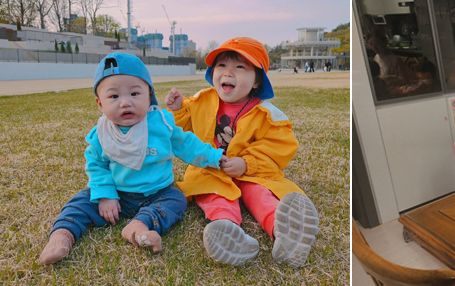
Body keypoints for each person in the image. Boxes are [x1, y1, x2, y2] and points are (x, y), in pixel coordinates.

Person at [39, 53, 225, 265]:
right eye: (114, 97)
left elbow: (187, 144)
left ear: (149, 96)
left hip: (158, 192)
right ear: (100, 104)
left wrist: (214, 157)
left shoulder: (161, 124)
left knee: (177, 200)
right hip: (117, 196)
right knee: (81, 201)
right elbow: (96, 165)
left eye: (135, 93)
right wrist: (106, 195)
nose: (125, 102)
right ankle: (62, 235)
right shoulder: (102, 134)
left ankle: (139, 225)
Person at [165, 37, 318, 267]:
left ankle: (284, 232)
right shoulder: (201, 100)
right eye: (222, 66)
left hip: (249, 173)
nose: (228, 73)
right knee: (214, 196)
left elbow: (277, 149)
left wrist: (247, 164)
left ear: (257, 81)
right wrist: (178, 109)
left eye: (239, 67)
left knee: (260, 194)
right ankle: (226, 230)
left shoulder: (266, 114)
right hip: (211, 170)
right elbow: (184, 132)